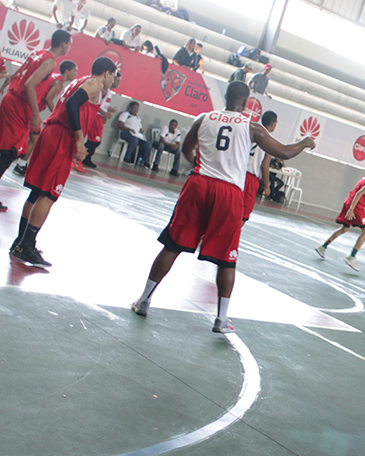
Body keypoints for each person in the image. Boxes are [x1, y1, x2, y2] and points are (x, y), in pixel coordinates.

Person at [130, 81, 315, 333]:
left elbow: (186, 150)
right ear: (247, 103)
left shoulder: (203, 118)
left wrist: (199, 167)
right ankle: (221, 319)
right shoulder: (252, 127)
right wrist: (304, 142)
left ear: (226, 97)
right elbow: (283, 152)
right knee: (226, 260)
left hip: (198, 184)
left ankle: (144, 300)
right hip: (229, 192)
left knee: (172, 245)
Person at [9, 57, 117, 268]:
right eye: (113, 75)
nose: (113, 80)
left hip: (51, 132)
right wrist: (79, 140)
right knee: (49, 194)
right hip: (62, 137)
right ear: (106, 73)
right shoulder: (95, 84)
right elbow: (72, 104)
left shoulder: (80, 81)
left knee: (36, 192)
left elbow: (73, 103)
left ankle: (20, 242)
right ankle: (26, 247)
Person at [0, 29, 72, 213]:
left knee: (7, 148)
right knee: (10, 151)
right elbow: (29, 85)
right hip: (19, 105)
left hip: (10, 99)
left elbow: (15, 75)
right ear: (63, 44)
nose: (70, 48)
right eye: (70, 44)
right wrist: (34, 114)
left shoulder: (37, 53)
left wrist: (5, 89)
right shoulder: (50, 62)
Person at [315, 162, 365, 272]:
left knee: (344, 228)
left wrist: (359, 208)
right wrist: (352, 209)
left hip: (350, 202)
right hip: (355, 206)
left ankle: (323, 247)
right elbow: (359, 193)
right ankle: (351, 257)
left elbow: (359, 193)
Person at [14, 60, 78, 176]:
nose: (76, 74)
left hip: (29, 108)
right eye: (74, 71)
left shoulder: (55, 78)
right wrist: (56, 114)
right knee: (34, 139)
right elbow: (49, 99)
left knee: (28, 137)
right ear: (66, 71)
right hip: (31, 111)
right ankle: (20, 164)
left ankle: (20, 163)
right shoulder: (59, 82)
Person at [243, 111, 277, 224]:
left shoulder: (250, 131)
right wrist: (267, 186)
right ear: (273, 124)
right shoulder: (269, 140)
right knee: (244, 213)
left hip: (237, 174)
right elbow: (264, 165)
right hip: (250, 178)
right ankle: (232, 233)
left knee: (229, 207)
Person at [82, 72, 121, 168]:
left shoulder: (108, 92)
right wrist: (104, 113)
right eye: (116, 80)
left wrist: (107, 111)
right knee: (94, 141)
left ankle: (85, 157)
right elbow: (94, 103)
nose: (118, 83)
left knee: (95, 141)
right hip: (95, 116)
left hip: (99, 116)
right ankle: (83, 157)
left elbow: (101, 104)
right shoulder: (102, 90)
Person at [117, 101, 152, 167]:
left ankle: (146, 162)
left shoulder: (138, 118)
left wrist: (141, 131)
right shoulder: (126, 114)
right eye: (134, 108)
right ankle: (127, 157)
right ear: (130, 108)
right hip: (126, 132)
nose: (135, 110)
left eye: (137, 108)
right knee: (134, 140)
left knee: (148, 143)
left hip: (136, 134)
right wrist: (129, 129)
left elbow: (140, 128)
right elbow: (120, 125)